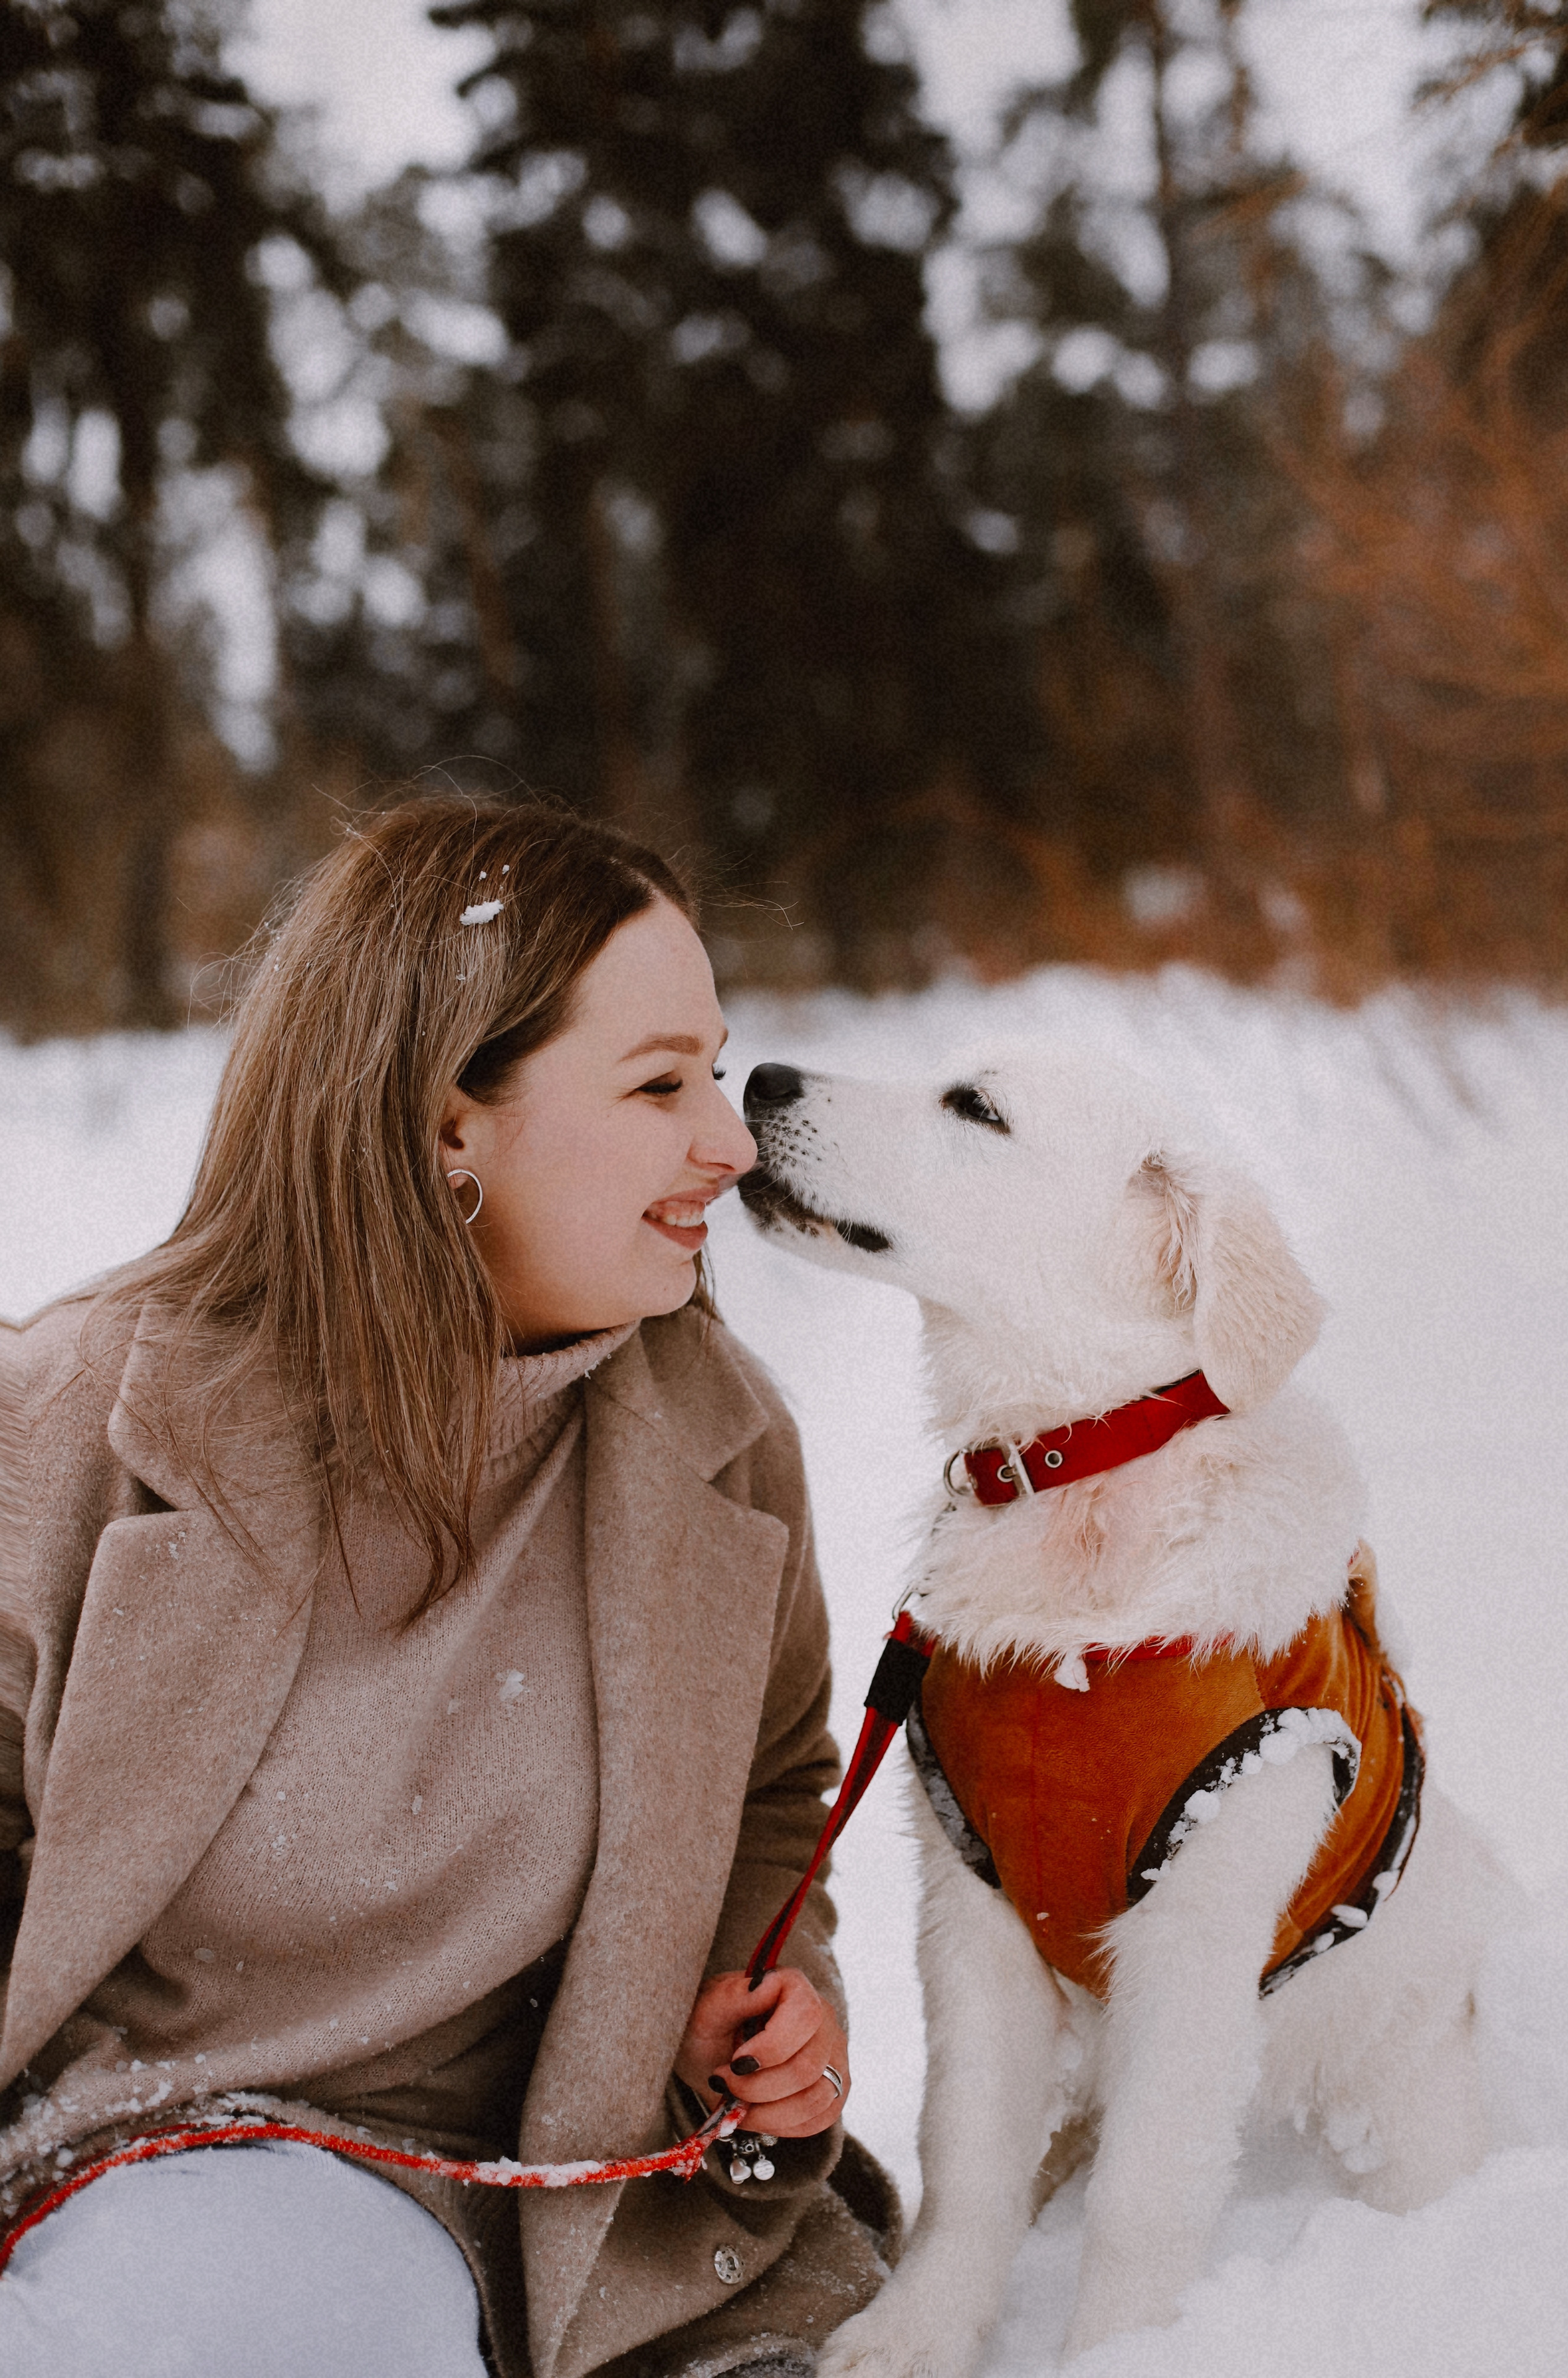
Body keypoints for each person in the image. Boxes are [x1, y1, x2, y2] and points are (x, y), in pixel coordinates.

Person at [0, 798, 897, 2378]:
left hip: (535, 2198)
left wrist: (752, 2008)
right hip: (151, 2158)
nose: (730, 1142)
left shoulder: (725, 1451)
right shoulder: (77, 1418)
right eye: (658, 1085)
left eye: (716, 1070)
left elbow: (769, 1789)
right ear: (445, 1126)